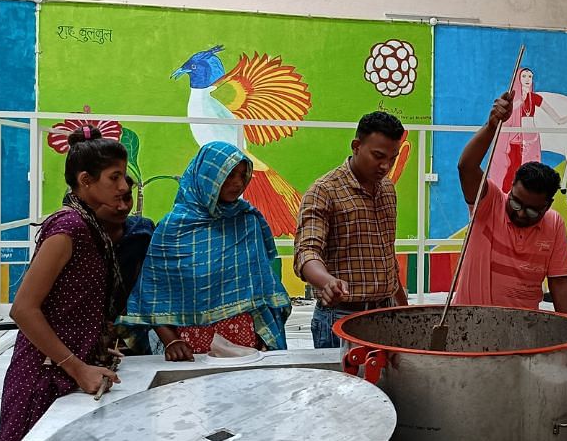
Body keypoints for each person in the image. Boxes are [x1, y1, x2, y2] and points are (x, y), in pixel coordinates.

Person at [0, 126, 128, 441]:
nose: (124, 187)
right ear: (85, 180)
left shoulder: (91, 227)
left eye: (124, 177)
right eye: (114, 178)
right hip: (42, 379)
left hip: (65, 373)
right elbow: (23, 309)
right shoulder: (68, 228)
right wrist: (77, 368)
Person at [123, 142, 292, 360]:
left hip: (248, 347)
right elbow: (151, 296)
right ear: (207, 175)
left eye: (243, 176)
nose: (238, 183)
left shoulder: (247, 221)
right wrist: (171, 340)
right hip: (191, 351)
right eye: (230, 175)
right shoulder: (173, 228)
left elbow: (262, 290)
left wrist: (265, 338)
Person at [452, 91, 567, 314]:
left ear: (547, 206)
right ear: (510, 189)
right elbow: (466, 167)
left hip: (523, 332)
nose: (520, 214)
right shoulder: (490, 203)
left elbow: (559, 282)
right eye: (516, 203)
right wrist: (491, 126)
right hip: (469, 326)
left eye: (531, 211)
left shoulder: (554, 224)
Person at [295, 111, 409, 349]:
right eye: (378, 156)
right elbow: (306, 251)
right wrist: (326, 281)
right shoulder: (324, 191)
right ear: (356, 146)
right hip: (342, 318)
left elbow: (387, 255)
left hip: (387, 314)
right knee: (344, 386)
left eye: (392, 158)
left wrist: (403, 309)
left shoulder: (387, 189)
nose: (385, 166)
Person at [489, 67, 567, 189]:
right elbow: (506, 117)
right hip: (515, 141)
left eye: (530, 76)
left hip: (532, 142)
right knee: (511, 175)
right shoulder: (512, 101)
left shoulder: (535, 98)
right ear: (518, 79)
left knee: (531, 177)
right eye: (524, 76)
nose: (527, 79)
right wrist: (519, 102)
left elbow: (558, 120)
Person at [95, 176, 156, 355]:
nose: (123, 206)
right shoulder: (78, 238)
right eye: (114, 199)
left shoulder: (142, 233)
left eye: (127, 198)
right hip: (87, 339)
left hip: (135, 335)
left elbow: (154, 283)